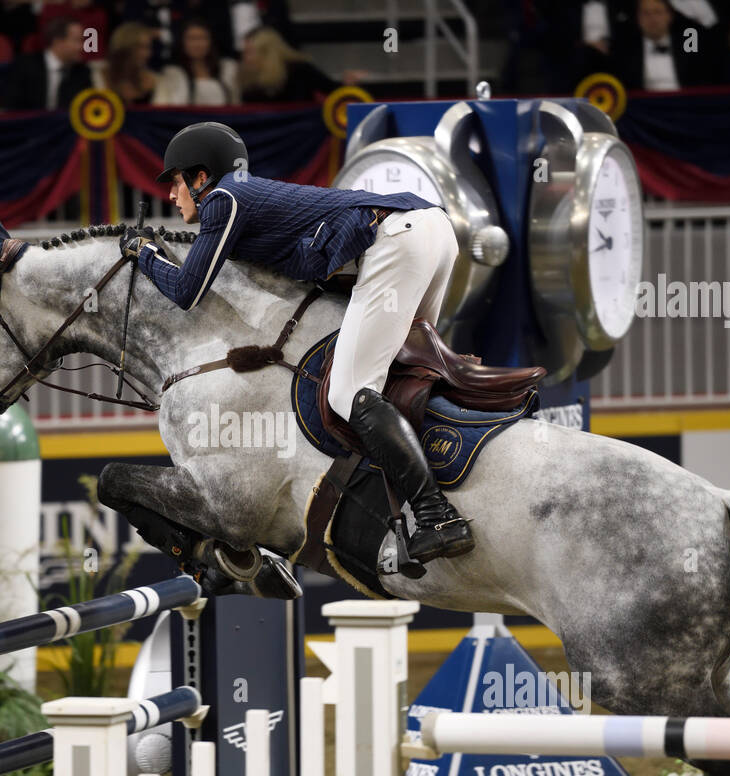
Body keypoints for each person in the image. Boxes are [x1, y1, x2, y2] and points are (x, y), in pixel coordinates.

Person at [119, 123, 475, 565]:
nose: (171, 196)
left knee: (349, 392)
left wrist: (144, 254)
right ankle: (448, 482)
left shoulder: (223, 199)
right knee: (402, 376)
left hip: (399, 238)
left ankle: (437, 516)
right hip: (433, 230)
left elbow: (188, 293)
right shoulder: (245, 196)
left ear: (200, 177)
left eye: (175, 181)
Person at [610, 0, 716, 90]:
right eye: (645, 13)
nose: (652, 19)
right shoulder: (625, 48)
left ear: (669, 16)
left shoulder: (689, 41)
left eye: (658, 12)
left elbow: (702, 79)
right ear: (637, 18)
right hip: (642, 110)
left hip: (685, 107)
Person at [237, 26, 359, 102]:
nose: (244, 58)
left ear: (267, 53)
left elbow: (332, 90)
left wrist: (348, 86)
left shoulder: (300, 70)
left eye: (249, 53)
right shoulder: (249, 81)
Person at [0, 17, 93, 110]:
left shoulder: (82, 72)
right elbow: (9, 105)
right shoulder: (24, 66)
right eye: (77, 40)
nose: (82, 47)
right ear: (58, 42)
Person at [152, 19, 237, 105]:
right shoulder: (171, 74)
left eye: (202, 38)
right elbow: (160, 109)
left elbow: (236, 105)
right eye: (191, 39)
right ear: (182, 42)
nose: (197, 44)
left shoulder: (226, 69)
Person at [102, 22, 160, 105]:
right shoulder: (99, 79)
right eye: (141, 47)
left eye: (148, 47)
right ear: (125, 47)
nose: (148, 54)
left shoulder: (152, 82)